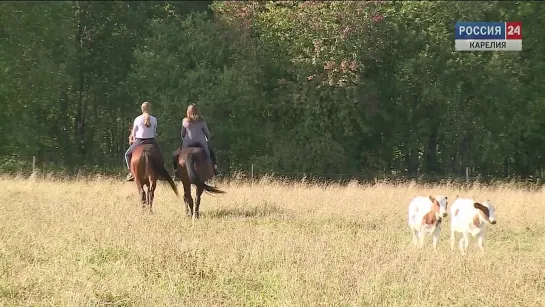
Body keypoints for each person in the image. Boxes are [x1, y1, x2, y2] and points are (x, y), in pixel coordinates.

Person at [172, 103, 219, 177]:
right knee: (211, 153)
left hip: (187, 144)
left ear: (188, 111)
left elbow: (182, 134)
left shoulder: (185, 121)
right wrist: (207, 138)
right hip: (201, 144)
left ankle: (176, 171)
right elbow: (207, 134)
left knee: (175, 154)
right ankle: (215, 169)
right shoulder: (202, 120)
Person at [125, 101, 159, 181]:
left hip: (139, 141)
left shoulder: (137, 119)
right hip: (151, 141)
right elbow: (154, 131)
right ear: (150, 109)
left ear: (142, 109)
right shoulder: (154, 119)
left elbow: (133, 134)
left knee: (127, 154)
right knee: (160, 154)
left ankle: (131, 172)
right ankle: (159, 171)